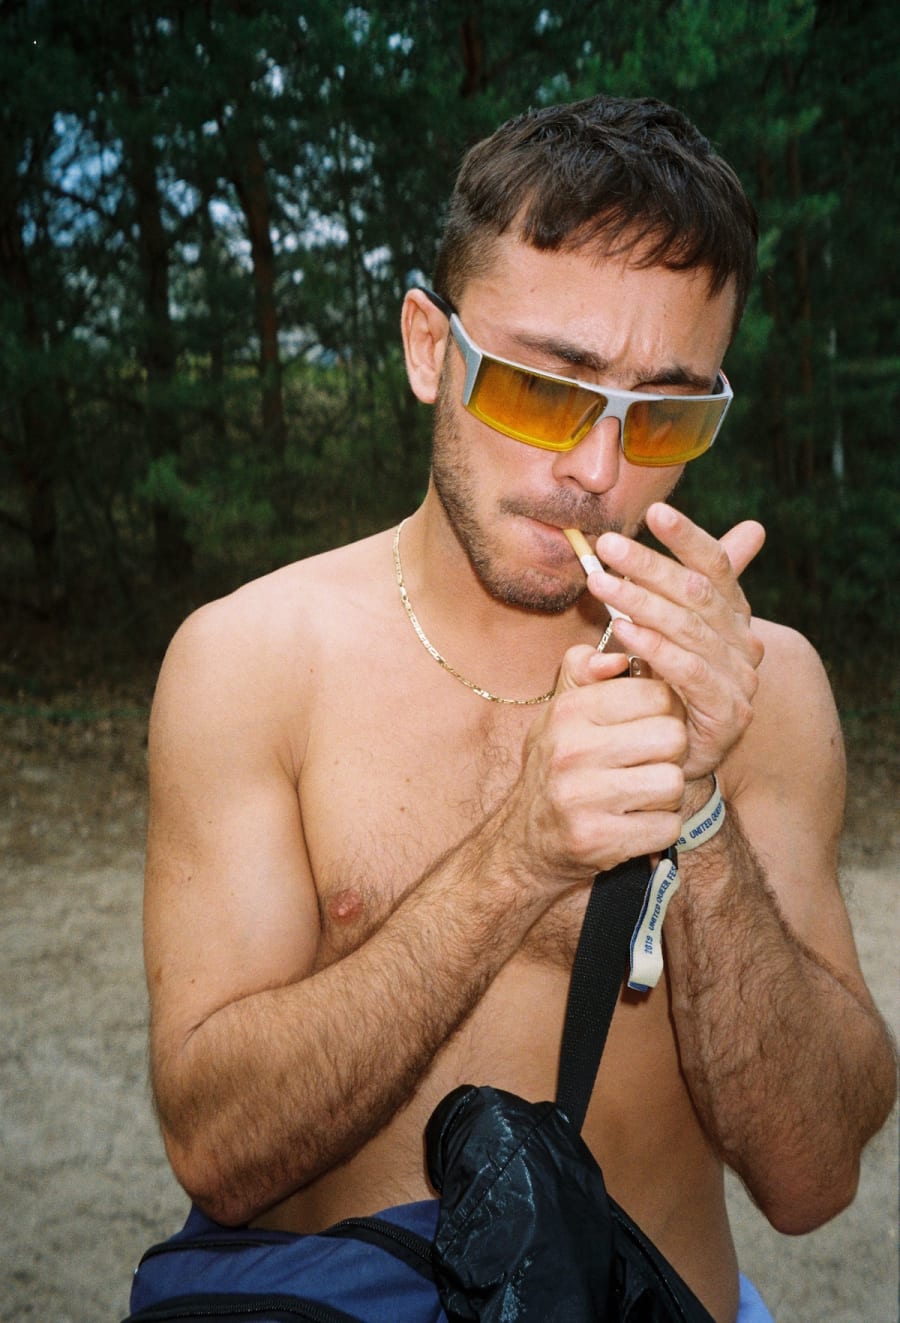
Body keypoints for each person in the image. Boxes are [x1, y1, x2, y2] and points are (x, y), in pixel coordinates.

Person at [140, 95, 896, 1323]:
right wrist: (515, 861)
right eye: (548, 390)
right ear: (428, 349)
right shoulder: (251, 665)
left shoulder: (767, 685)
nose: (597, 470)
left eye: (664, 412)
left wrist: (698, 813)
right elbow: (218, 1153)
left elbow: (814, 1179)